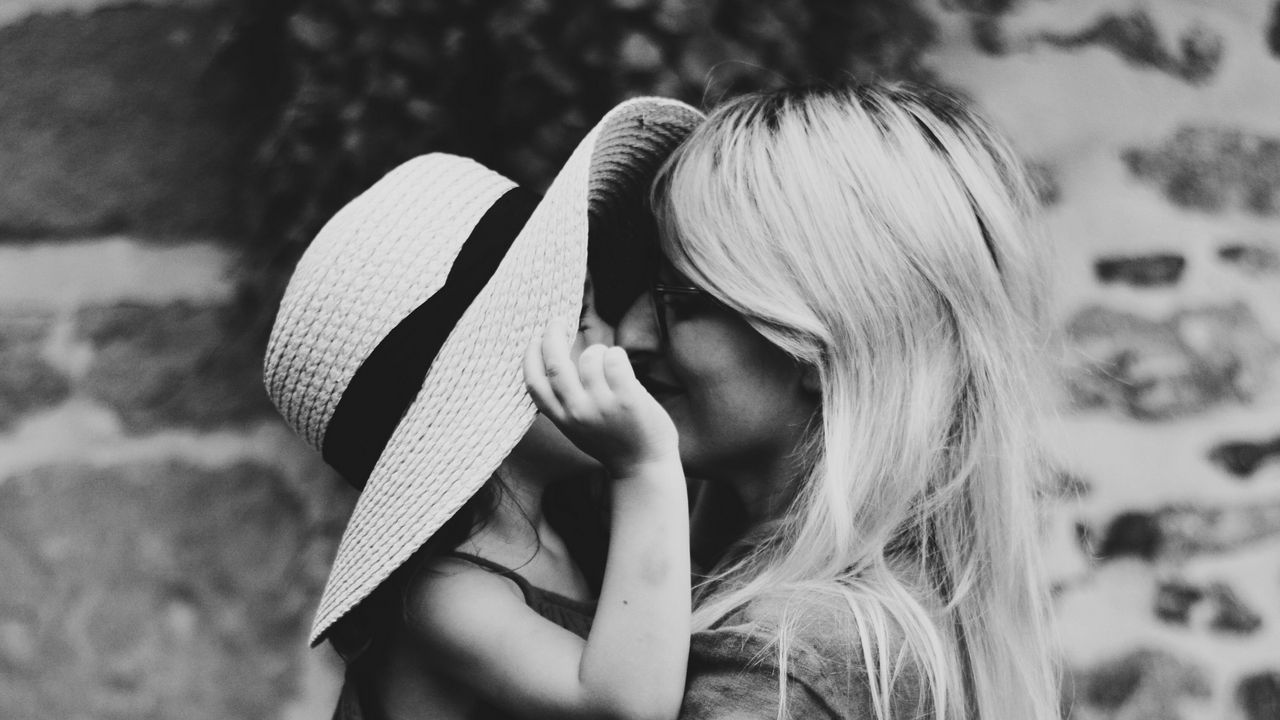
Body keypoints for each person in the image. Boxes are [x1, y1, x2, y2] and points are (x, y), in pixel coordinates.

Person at [615, 82, 1062, 719]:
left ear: (823, 345)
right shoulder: (923, 616)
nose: (631, 334)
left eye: (681, 302)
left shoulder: (776, 668)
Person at [263, 97, 704, 720]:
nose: (619, 338)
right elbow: (626, 706)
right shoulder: (447, 596)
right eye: (584, 321)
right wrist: (645, 469)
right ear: (484, 396)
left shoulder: (575, 525)